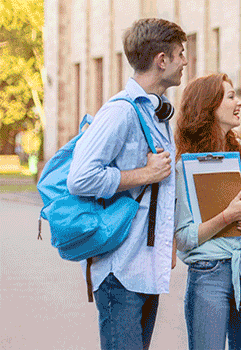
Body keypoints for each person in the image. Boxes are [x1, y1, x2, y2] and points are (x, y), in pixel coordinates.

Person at [66, 18, 187, 349]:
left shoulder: (155, 113)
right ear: (162, 60)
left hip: (144, 269)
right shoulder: (120, 112)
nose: (185, 62)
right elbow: (80, 177)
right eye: (181, 53)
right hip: (119, 271)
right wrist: (145, 174)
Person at [173, 73, 241, 350]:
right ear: (209, 107)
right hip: (209, 273)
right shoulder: (184, 166)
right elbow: (182, 238)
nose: (238, 102)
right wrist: (227, 217)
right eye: (230, 96)